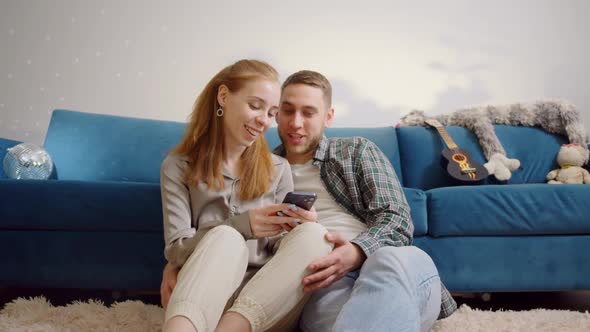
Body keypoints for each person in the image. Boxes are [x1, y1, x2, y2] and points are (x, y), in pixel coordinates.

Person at [273, 70, 457, 332]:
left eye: (308, 112)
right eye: (288, 111)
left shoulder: (356, 151)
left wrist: (357, 251)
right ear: (276, 112)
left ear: (328, 117)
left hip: (395, 267)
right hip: (325, 288)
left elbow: (398, 220)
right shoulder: (263, 171)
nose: (296, 123)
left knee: (388, 260)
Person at [160, 60, 333, 332]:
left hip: (260, 306)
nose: (264, 120)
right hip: (204, 296)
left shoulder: (278, 167)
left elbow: (282, 251)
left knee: (316, 235)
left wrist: (299, 225)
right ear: (224, 97)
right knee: (227, 237)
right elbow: (176, 251)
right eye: (255, 106)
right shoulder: (178, 165)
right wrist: (242, 225)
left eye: (271, 112)